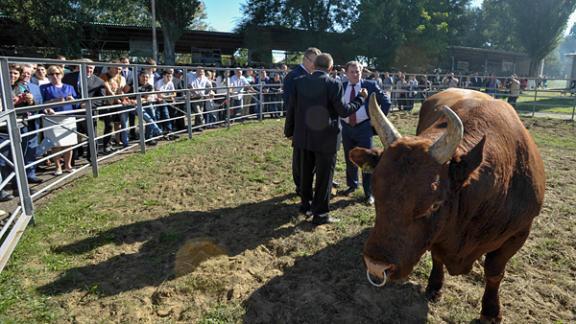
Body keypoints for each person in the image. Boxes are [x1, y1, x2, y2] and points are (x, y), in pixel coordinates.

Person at [284, 53, 368, 225]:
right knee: (324, 177)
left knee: (305, 173)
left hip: (303, 136)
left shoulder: (299, 81)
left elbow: (291, 108)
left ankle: (305, 206)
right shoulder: (333, 83)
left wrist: (289, 131)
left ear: (314, 65)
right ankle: (321, 214)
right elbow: (344, 111)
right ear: (330, 68)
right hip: (326, 139)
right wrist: (361, 97)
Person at [339, 61, 391, 205]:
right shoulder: (341, 86)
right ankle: (352, 185)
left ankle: (369, 193)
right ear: (346, 73)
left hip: (364, 127)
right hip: (346, 127)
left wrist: (377, 121)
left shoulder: (370, 85)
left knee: (367, 160)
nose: (355, 74)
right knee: (349, 157)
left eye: (358, 72)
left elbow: (386, 101)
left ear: (361, 72)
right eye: (352, 72)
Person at [283, 47, 321, 197]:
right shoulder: (293, 76)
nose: (316, 65)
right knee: (300, 157)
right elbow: (289, 104)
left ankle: (311, 180)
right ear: (305, 59)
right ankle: (300, 185)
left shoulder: (312, 75)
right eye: (314, 61)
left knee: (312, 154)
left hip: (314, 125)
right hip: (300, 125)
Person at [40, 65, 78, 175]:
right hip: (52, 118)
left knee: (68, 143)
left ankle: (68, 165)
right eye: (51, 74)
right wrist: (55, 101)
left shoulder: (69, 87)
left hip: (68, 117)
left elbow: (76, 102)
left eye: (57, 73)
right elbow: (41, 103)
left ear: (62, 74)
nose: (54, 76)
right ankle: (57, 167)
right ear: (48, 76)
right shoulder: (44, 87)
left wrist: (73, 99)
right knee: (55, 144)